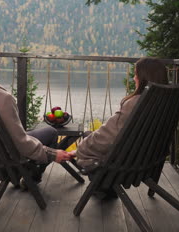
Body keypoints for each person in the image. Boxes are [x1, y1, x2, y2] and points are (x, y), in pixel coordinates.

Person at [0, 42, 72, 183]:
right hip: (0, 162)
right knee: (50, 132)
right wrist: (51, 154)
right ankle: (30, 179)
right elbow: (19, 142)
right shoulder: (1, 98)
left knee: (30, 134)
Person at [69, 57, 168, 197]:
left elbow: (109, 136)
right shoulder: (164, 103)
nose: (134, 79)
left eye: (136, 74)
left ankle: (105, 186)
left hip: (124, 166)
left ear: (145, 77)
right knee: (90, 135)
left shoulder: (136, 103)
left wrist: (80, 149)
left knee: (88, 141)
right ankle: (105, 187)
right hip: (145, 159)